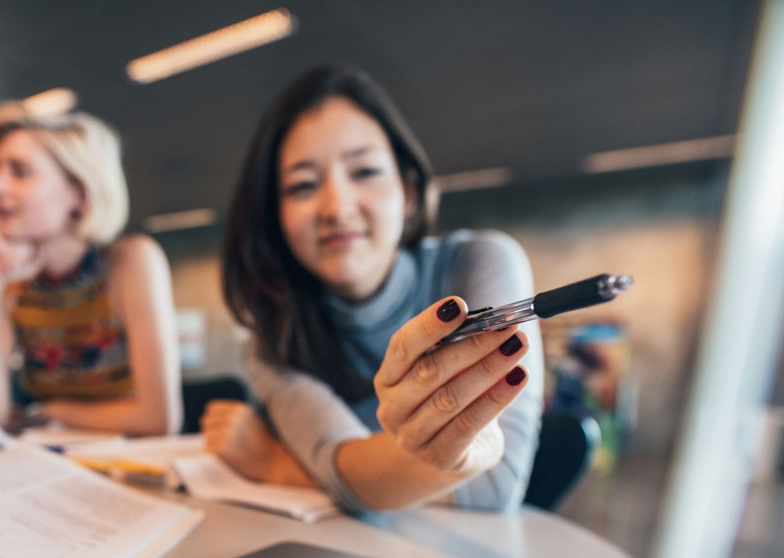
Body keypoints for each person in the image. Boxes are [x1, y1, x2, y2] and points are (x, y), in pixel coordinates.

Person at [202, 65, 544, 512]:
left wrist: (278, 464)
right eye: (303, 185)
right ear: (275, 217)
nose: (337, 207)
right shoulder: (276, 336)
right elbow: (343, 460)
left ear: (408, 192)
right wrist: (347, 471)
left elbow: (493, 487)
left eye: (364, 171)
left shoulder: (478, 264)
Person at [0, 102, 181, 436]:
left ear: (80, 193)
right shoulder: (11, 279)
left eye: (19, 171)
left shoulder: (130, 262)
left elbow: (158, 420)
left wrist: (49, 411)